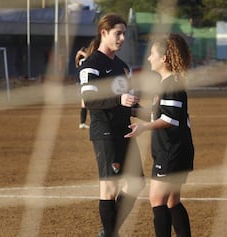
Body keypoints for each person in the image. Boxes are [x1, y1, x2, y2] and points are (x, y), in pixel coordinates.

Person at [77, 13, 145, 237]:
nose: (122, 38)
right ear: (104, 33)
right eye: (118, 33)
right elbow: (89, 100)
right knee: (110, 187)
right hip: (104, 132)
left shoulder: (124, 67)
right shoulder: (91, 64)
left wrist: (156, 115)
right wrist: (119, 100)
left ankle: (109, 232)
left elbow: (129, 105)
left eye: (124, 33)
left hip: (124, 130)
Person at [125, 33, 194, 237]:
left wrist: (143, 128)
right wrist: (134, 109)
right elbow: (159, 114)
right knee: (172, 201)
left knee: (157, 200)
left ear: (164, 58)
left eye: (152, 54)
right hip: (175, 149)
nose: (149, 58)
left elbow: (170, 120)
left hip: (171, 151)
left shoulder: (171, 83)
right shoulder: (168, 82)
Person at [75, 47, 90, 129]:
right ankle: (82, 123)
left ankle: (82, 123)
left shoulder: (83, 61)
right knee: (86, 104)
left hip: (84, 85)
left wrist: (79, 53)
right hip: (85, 85)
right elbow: (88, 57)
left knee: (84, 104)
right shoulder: (83, 61)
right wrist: (79, 53)